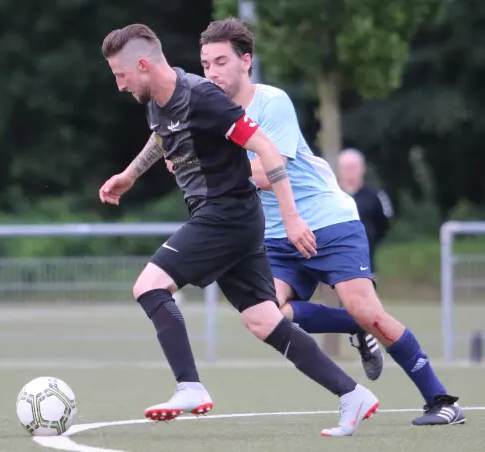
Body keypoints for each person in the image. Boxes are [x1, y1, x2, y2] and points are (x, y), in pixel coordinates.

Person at [99, 23, 379, 437]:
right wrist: (129, 175)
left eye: (121, 75)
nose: (120, 85)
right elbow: (161, 137)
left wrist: (291, 218)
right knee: (265, 321)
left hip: (227, 215)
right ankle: (352, 394)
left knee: (149, 286)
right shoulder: (157, 101)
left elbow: (266, 148)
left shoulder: (204, 97)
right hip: (227, 218)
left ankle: (189, 386)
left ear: (143, 65)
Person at [196, 18, 465, 427]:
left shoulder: (272, 103)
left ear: (246, 61)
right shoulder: (209, 115)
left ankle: (441, 401)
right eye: (205, 65)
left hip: (328, 221)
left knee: (367, 309)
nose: (212, 73)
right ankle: (356, 328)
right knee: (264, 315)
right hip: (276, 235)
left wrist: (207, 171)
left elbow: (268, 173)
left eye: (221, 62)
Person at [338, 149, 393, 274]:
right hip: (335, 264)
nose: (350, 172)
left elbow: (384, 223)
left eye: (353, 167)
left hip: (366, 262)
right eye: (346, 167)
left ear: (362, 169)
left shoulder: (375, 195)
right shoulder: (331, 197)